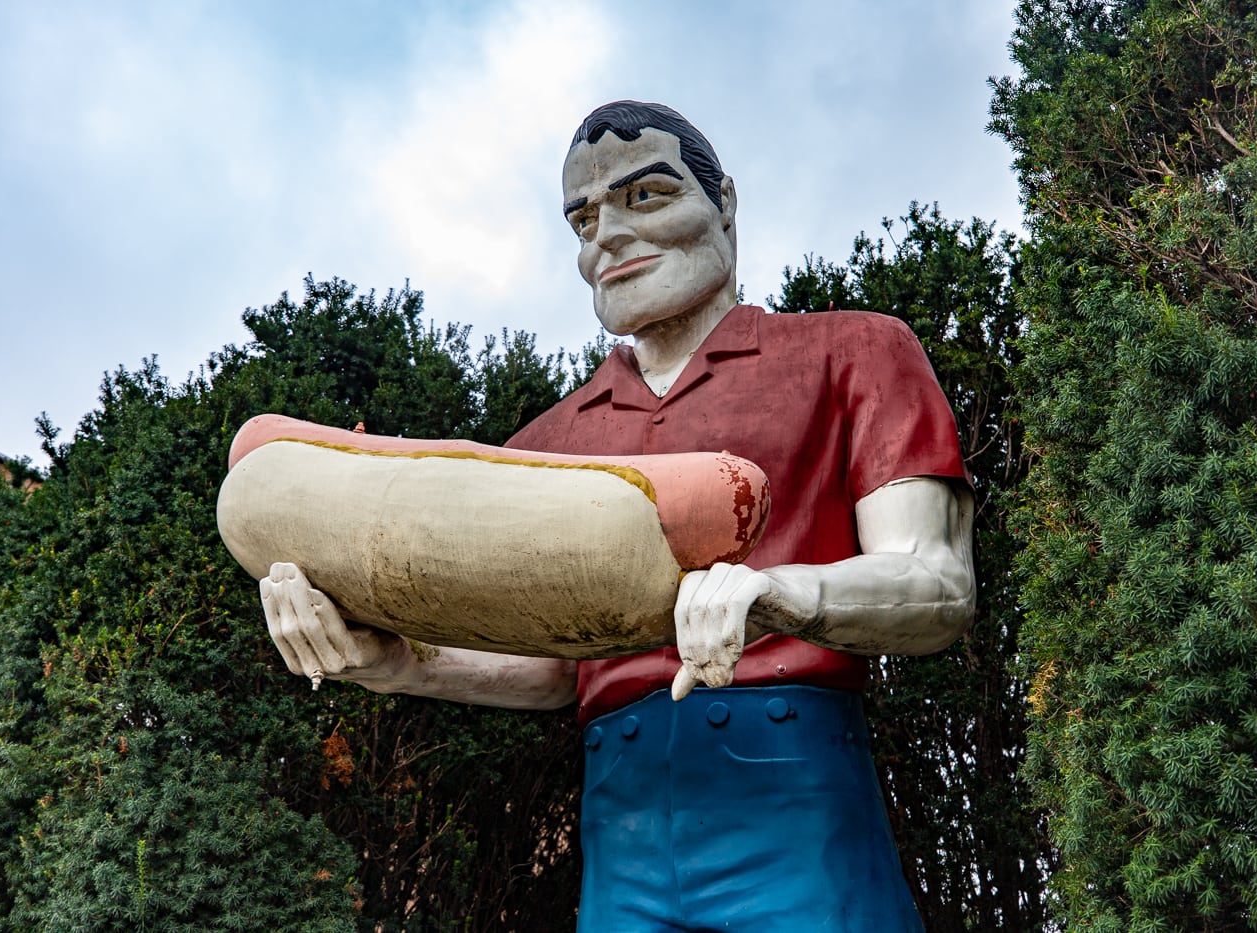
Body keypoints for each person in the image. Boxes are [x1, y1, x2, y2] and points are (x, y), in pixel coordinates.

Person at [261, 100, 974, 931]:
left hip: (797, 799)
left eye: (646, 197)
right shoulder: (546, 445)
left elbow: (934, 580)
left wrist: (773, 593)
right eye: (584, 218)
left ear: (725, 205)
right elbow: (560, 661)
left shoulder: (853, 351)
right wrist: (391, 660)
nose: (606, 235)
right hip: (621, 830)